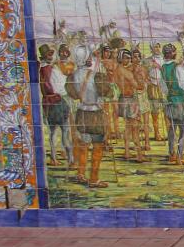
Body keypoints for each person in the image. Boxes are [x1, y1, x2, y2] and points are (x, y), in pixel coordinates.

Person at [66, 45, 112, 188]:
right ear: (87, 59)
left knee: (83, 146)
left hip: (81, 113)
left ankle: (80, 174)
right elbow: (109, 93)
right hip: (95, 115)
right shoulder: (96, 76)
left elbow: (73, 95)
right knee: (98, 148)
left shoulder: (72, 77)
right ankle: (93, 178)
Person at [39, 44, 73, 167]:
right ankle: (70, 159)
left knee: (53, 132)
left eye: (51, 54)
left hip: (47, 103)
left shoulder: (41, 68)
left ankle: (54, 158)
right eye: (49, 54)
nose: (51, 56)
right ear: (45, 56)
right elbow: (58, 88)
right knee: (65, 130)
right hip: (57, 102)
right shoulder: (51, 69)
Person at [114, 49, 147, 162]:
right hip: (130, 101)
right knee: (135, 128)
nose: (129, 60)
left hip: (122, 99)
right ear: (121, 58)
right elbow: (139, 86)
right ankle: (139, 154)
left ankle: (127, 152)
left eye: (129, 58)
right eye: (127, 58)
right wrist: (141, 81)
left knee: (128, 127)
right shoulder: (126, 72)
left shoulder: (117, 70)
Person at [160, 43, 184, 165]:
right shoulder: (177, 67)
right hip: (180, 102)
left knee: (172, 129)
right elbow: (183, 85)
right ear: (172, 53)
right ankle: (179, 156)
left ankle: (171, 154)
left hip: (170, 102)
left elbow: (163, 88)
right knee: (183, 129)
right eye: (174, 51)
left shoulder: (162, 68)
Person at [131, 48, 152, 152]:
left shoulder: (143, 68)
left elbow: (148, 80)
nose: (137, 58)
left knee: (146, 122)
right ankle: (137, 144)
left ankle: (147, 143)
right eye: (135, 56)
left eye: (138, 56)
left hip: (143, 96)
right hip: (135, 97)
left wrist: (145, 83)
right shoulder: (129, 69)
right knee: (136, 123)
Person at [146, 42, 166, 142]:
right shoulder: (147, 60)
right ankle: (157, 133)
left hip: (163, 86)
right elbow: (143, 72)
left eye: (158, 46)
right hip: (152, 86)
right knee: (155, 112)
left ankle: (168, 132)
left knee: (166, 110)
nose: (157, 48)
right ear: (151, 48)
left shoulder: (164, 59)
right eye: (155, 47)